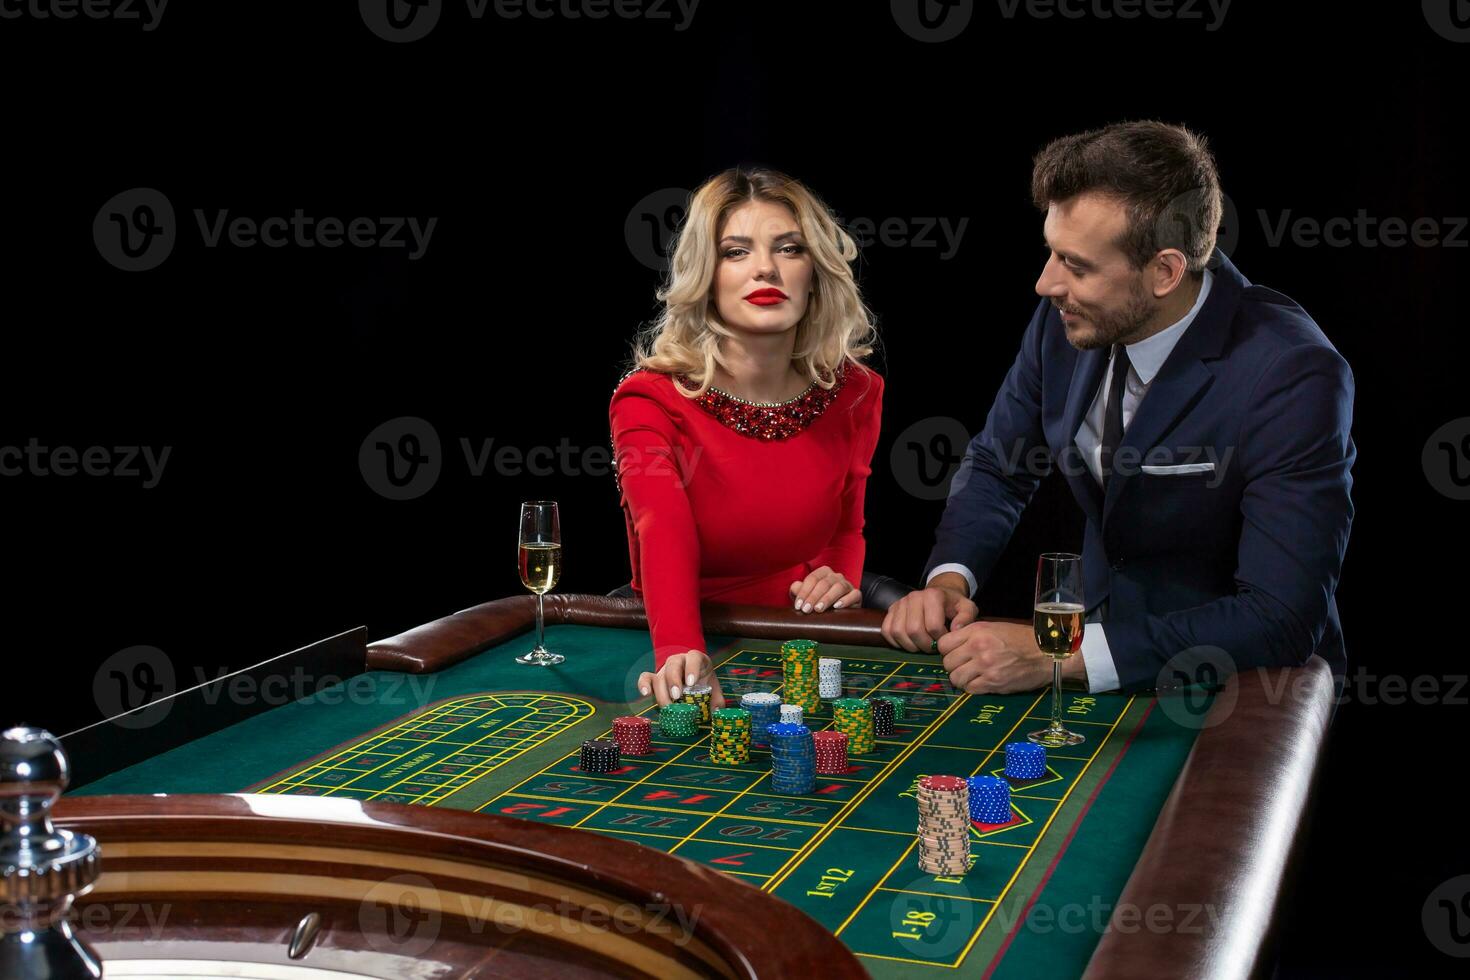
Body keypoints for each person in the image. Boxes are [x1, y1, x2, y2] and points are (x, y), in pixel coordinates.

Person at [882, 120, 1355, 696]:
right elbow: (998, 465)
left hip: (1245, 692)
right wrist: (951, 580)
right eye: (1052, 254)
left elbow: (1281, 617)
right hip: (1105, 667)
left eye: (1076, 265)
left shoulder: (1292, 372)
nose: (1044, 284)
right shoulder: (1069, 318)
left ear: (1165, 271)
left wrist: (1063, 653)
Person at [612, 167, 884, 706]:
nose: (766, 269)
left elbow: (848, 523)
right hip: (688, 630)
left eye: (789, 249)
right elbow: (660, 528)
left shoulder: (856, 390)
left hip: (803, 635)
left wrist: (838, 574)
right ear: (706, 276)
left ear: (817, 272)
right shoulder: (648, 398)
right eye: (735, 252)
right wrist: (679, 650)